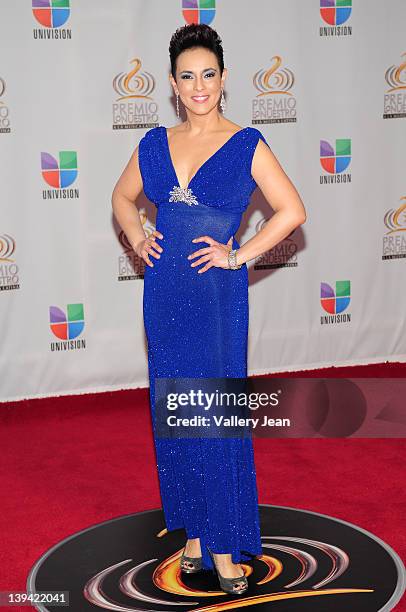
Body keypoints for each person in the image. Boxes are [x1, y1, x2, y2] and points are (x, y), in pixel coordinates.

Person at [112, 23, 306, 596]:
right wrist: (136, 235)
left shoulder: (246, 143)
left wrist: (238, 255)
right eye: (188, 76)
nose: (200, 86)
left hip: (216, 297)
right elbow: (122, 199)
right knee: (176, 408)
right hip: (165, 293)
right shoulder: (152, 144)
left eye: (209, 74)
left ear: (224, 80)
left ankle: (223, 547)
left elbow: (291, 210)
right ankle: (196, 537)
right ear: (173, 84)